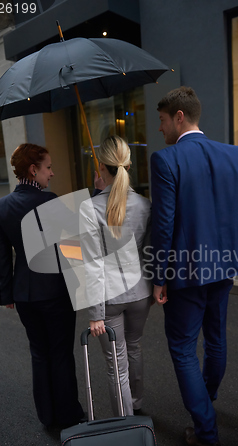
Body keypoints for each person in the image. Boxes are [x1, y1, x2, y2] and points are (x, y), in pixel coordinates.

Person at [150, 87, 238, 446]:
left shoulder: (165, 159)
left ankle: (205, 431)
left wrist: (158, 276)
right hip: (224, 267)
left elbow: (163, 223)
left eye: (163, 121)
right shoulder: (233, 154)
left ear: (179, 117)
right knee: (215, 339)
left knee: (183, 348)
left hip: (185, 271)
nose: (161, 129)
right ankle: (207, 399)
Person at [0, 143, 84, 429]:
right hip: (55, 292)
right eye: (48, 167)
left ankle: (47, 416)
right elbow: (73, 251)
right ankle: (68, 416)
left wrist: (7, 292)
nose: (52, 173)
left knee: (39, 353)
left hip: (24, 294)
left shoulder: (3, 206)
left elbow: (2, 253)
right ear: (33, 169)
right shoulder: (51, 203)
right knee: (60, 353)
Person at [79, 135, 152, 416]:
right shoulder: (145, 205)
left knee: (116, 362)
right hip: (139, 293)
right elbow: (148, 252)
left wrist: (95, 313)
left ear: (101, 167)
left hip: (108, 299)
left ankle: (126, 423)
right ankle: (136, 406)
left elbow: (93, 264)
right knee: (133, 347)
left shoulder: (90, 208)